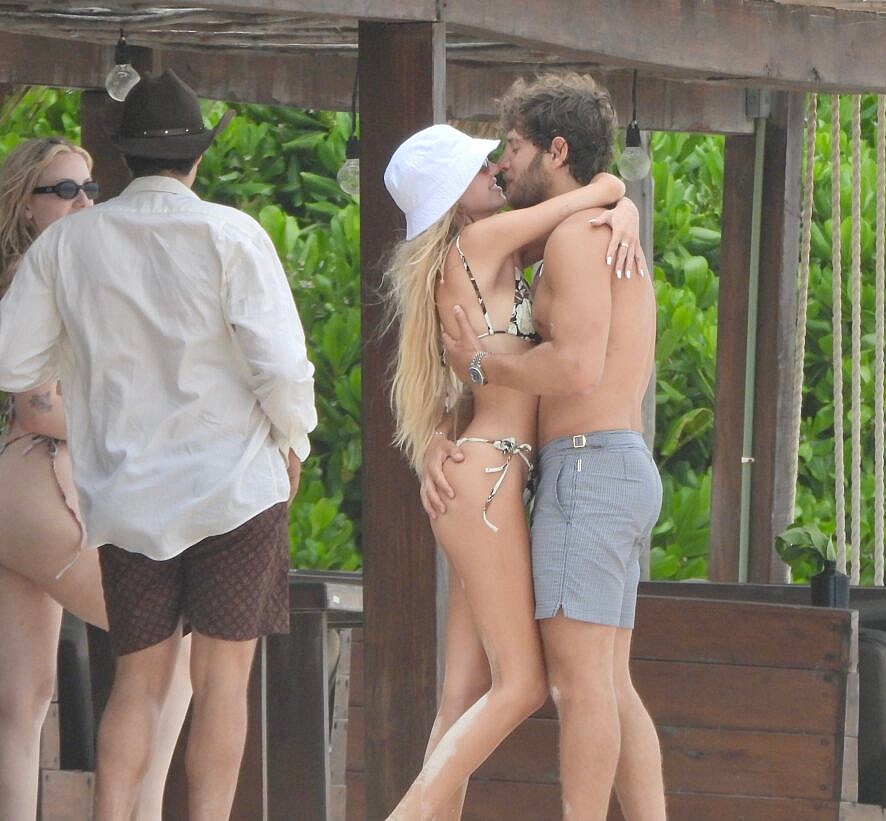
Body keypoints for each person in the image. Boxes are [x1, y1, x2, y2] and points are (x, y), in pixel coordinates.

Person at [0, 70, 316, 821]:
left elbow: (11, 360)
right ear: (196, 159)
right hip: (235, 488)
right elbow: (279, 367)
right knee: (221, 681)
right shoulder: (234, 233)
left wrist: (85, 369)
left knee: (136, 680)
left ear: (122, 158)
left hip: (127, 496)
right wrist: (292, 440)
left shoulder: (67, 245)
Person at [381, 122, 643, 820]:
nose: (496, 168)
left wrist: (436, 438)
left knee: (462, 696)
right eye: (478, 168)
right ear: (450, 194)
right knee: (521, 684)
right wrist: (620, 198)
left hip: (482, 474)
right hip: (492, 482)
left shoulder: (471, 256)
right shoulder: (476, 243)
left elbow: (456, 386)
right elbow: (584, 197)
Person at [438, 72, 666, 821]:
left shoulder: (574, 237)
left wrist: (484, 364)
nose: (504, 163)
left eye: (514, 146)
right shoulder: (597, 225)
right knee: (610, 680)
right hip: (622, 461)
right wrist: (616, 195)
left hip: (589, 465)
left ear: (556, 149)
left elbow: (574, 365)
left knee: (577, 684)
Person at [0, 136, 191, 821]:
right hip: (35, 480)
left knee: (21, 704)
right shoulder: (42, 271)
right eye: (65, 190)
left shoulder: (37, 267)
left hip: (19, 488)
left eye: (90, 188)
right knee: (170, 642)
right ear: (26, 205)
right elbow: (37, 403)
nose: (85, 200)